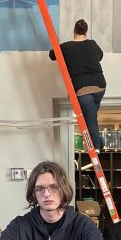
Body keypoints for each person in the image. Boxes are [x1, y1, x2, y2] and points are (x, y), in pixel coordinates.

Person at [49, 19, 105, 152]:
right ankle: (99, 142)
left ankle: (95, 147)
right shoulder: (92, 44)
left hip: (83, 89)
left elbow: (52, 55)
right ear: (86, 32)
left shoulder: (67, 47)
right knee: (90, 118)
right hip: (100, 86)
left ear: (74, 31)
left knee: (90, 119)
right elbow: (100, 56)